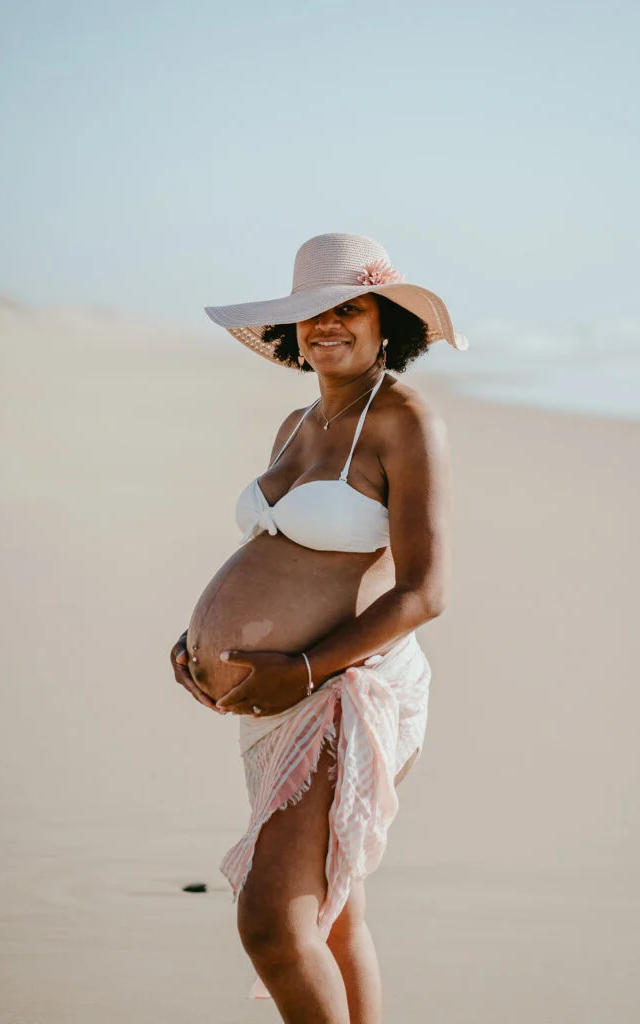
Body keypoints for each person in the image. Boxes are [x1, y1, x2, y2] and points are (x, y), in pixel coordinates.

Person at [170, 232, 467, 1023]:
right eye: (311, 313)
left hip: (347, 689)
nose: (327, 326)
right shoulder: (295, 424)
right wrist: (198, 642)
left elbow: (424, 591)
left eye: (349, 308)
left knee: (272, 925)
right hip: (281, 699)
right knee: (333, 915)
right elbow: (274, 549)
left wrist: (301, 671)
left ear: (385, 324)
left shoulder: (404, 419)